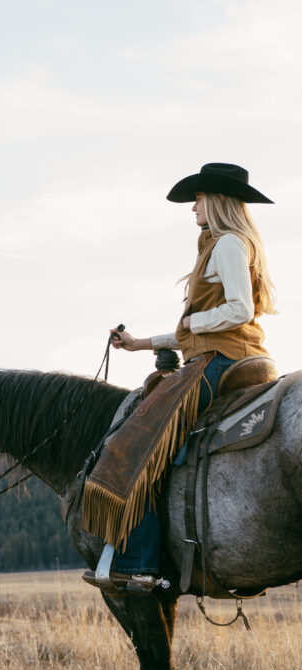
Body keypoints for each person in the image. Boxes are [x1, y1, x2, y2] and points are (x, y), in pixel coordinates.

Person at [82, 162, 277, 592]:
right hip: (224, 353)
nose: (193, 208)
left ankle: (139, 562)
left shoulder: (227, 244)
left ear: (217, 201)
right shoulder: (222, 244)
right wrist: (140, 344)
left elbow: (239, 311)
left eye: (199, 198)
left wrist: (194, 324)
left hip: (219, 360)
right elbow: (198, 330)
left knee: (141, 444)